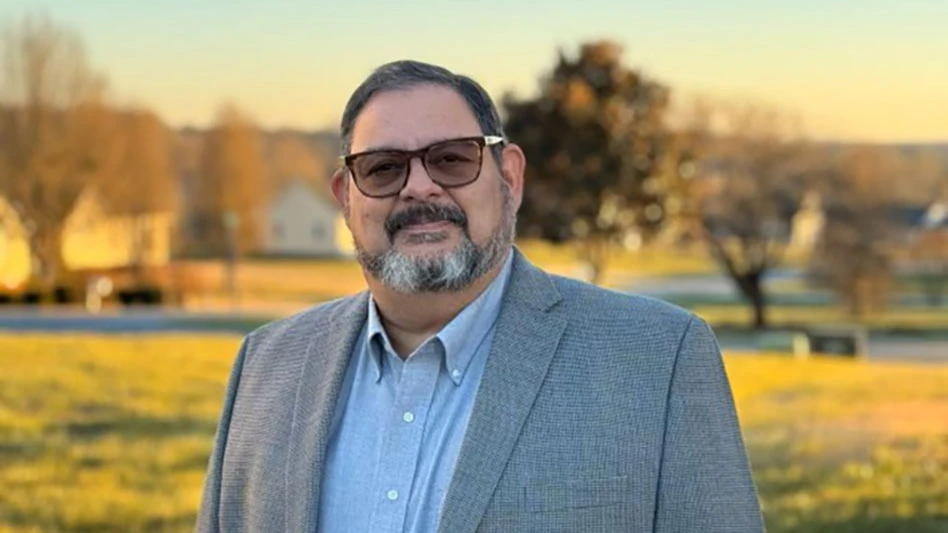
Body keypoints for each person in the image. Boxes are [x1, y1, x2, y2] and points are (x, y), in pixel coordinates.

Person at [195, 60, 765, 533]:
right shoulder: (264, 367)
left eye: (452, 159)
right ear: (346, 198)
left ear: (509, 178)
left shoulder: (657, 360)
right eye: (384, 167)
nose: (419, 186)